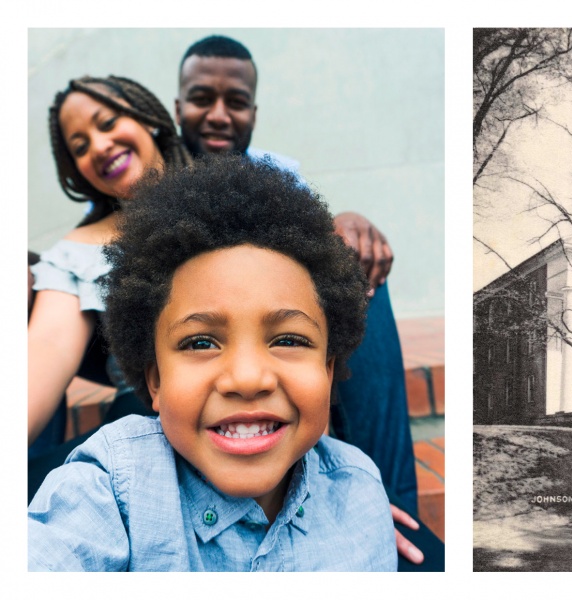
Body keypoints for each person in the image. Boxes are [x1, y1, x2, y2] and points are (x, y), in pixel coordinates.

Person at [29, 155, 397, 571]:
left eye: (289, 339)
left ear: (328, 372)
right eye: (200, 342)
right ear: (155, 381)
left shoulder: (359, 494)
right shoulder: (111, 487)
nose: (246, 378)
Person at [175, 35, 429, 562]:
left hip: (275, 334)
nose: (220, 114)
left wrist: (348, 224)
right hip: (198, 348)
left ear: (254, 111)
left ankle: (393, 507)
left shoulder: (277, 175)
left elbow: (317, 244)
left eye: (236, 102)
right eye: (202, 98)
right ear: (179, 106)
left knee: (356, 273)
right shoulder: (158, 175)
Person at [28, 76, 191, 451]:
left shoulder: (236, 195)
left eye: (107, 123)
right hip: (141, 443)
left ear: (146, 117)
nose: (99, 146)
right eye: (80, 147)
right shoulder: (75, 255)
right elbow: (45, 351)